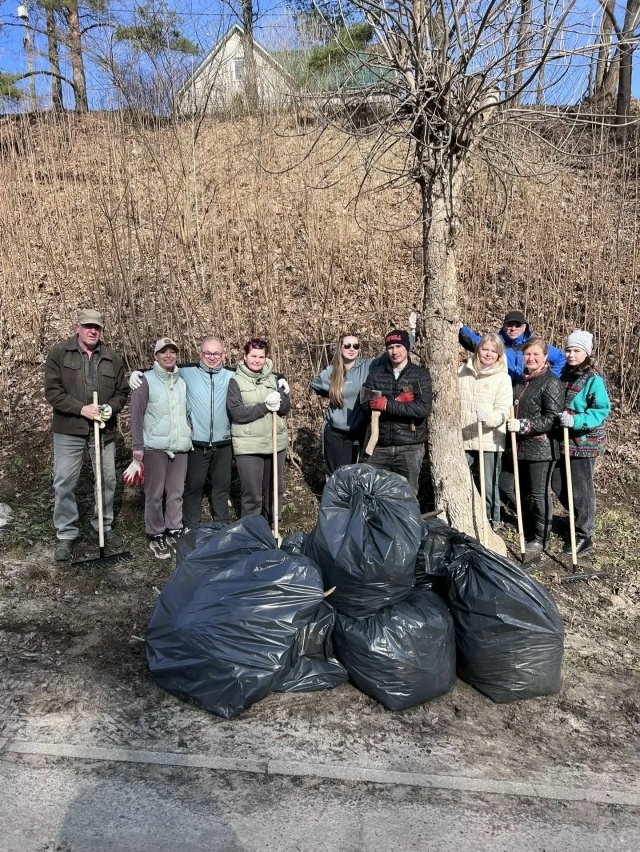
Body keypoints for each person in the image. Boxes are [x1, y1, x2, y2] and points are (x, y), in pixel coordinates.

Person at [44, 309, 129, 561]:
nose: (93, 331)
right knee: (64, 481)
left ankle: (103, 526)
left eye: (98, 327)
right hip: (69, 428)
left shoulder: (112, 358)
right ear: (78, 327)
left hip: (103, 431)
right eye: (88, 326)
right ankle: (66, 534)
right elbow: (53, 392)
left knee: (107, 480)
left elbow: (122, 393)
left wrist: (109, 408)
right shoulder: (60, 353)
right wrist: (82, 409)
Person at [130, 336, 242, 526]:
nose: (212, 357)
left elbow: (257, 371)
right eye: (207, 353)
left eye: (216, 353)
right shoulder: (187, 372)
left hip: (224, 442)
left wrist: (281, 380)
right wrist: (137, 372)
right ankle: (191, 525)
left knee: (222, 487)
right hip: (196, 443)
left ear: (223, 355)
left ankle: (222, 524)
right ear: (201, 354)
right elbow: (163, 371)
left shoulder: (233, 375)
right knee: (193, 486)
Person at [310, 313, 417, 475]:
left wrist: (413, 331)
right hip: (335, 433)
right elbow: (315, 385)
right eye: (347, 346)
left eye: (355, 346)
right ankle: (334, 501)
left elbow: (397, 351)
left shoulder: (369, 366)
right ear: (340, 348)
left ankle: (353, 501)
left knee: (356, 475)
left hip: (360, 433)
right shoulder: (331, 373)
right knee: (336, 476)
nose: (351, 349)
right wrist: (333, 395)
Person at [130, 338, 192, 559]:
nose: (168, 356)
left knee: (176, 492)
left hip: (180, 445)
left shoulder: (182, 380)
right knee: (154, 494)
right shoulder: (144, 381)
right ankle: (155, 533)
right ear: (155, 356)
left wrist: (188, 431)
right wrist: (137, 446)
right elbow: (136, 415)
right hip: (155, 447)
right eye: (163, 352)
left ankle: (174, 528)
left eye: (172, 352)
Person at [551, 330, 611, 555]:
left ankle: (585, 535)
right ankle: (579, 516)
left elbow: (601, 410)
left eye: (576, 351)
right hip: (563, 437)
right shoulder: (565, 373)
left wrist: (576, 420)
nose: (571, 354)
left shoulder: (593, 377)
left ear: (586, 353)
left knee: (581, 488)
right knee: (557, 482)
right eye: (568, 350)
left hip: (585, 440)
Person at [505, 337, 564, 552]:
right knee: (507, 485)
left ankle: (541, 536)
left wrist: (523, 425)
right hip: (518, 447)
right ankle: (529, 521)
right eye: (527, 354)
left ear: (545, 357)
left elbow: (553, 418)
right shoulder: (521, 380)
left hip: (541, 448)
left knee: (538, 493)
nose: (530, 358)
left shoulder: (551, 382)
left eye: (535, 354)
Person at [226, 338, 291, 523]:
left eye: (261, 356)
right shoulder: (235, 382)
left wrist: (282, 400)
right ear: (245, 356)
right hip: (249, 447)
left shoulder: (275, 379)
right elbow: (237, 412)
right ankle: (251, 531)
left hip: (274, 444)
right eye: (253, 356)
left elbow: (286, 409)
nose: (257, 360)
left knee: (274, 490)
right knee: (252, 494)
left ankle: (274, 525)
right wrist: (264, 406)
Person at [359, 329, 432, 494]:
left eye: (399, 346)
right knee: (372, 493)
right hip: (378, 446)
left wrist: (387, 405)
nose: (395, 351)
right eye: (390, 347)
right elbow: (363, 406)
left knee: (407, 494)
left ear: (407, 348)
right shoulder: (375, 375)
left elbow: (422, 409)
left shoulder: (420, 375)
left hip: (410, 448)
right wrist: (376, 404)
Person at [459, 333, 512, 530]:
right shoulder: (461, 372)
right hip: (464, 437)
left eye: (493, 351)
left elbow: (503, 411)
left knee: (489, 484)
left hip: (489, 439)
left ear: (499, 355)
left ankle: (492, 519)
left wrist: (488, 419)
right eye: (485, 349)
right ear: (478, 349)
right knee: (462, 480)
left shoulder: (502, 378)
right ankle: (467, 516)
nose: (488, 354)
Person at [460, 310, 565, 381]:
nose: (513, 329)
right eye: (509, 325)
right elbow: (477, 343)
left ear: (524, 327)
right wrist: (461, 329)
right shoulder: (497, 343)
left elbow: (562, 357)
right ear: (504, 326)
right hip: (502, 389)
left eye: (517, 325)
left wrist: (548, 378)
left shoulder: (533, 344)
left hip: (526, 389)